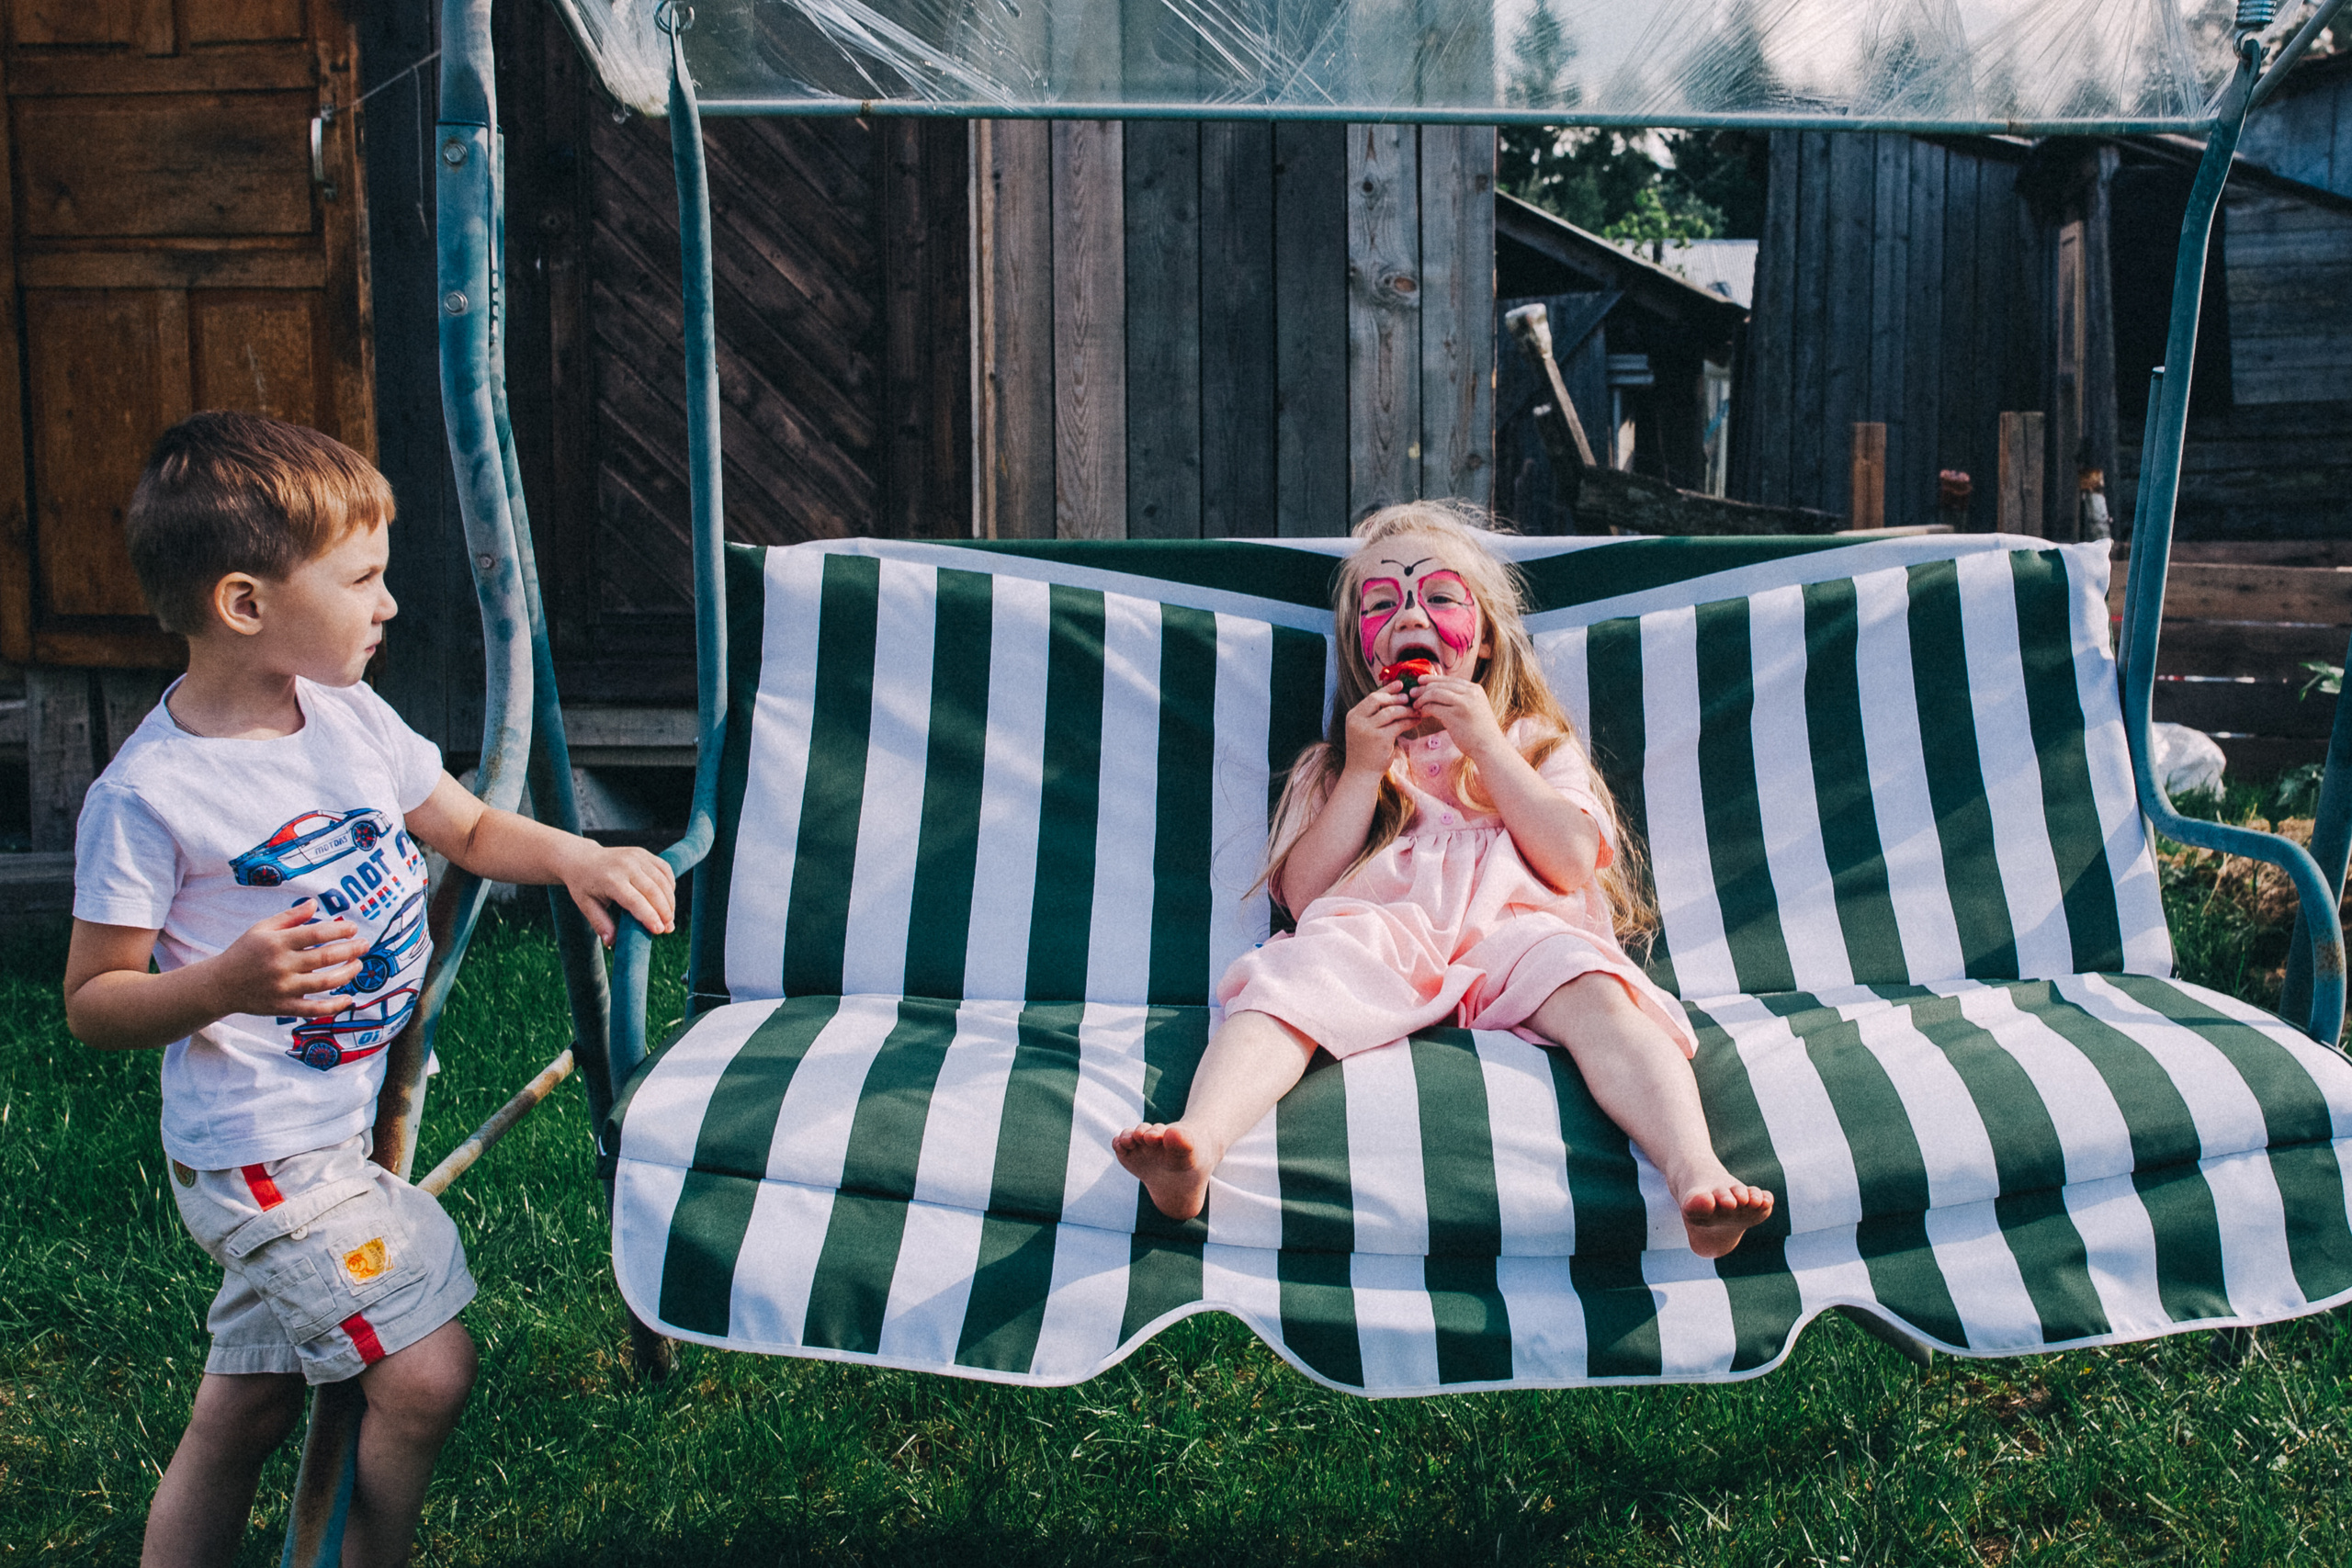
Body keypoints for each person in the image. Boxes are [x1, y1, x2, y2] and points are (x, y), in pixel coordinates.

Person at [61, 412, 676, 1568]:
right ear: (246, 604)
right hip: (260, 1160)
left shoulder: (343, 718)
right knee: (427, 1366)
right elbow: (94, 999)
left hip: (326, 1137)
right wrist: (223, 986)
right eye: (362, 579)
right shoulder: (151, 797)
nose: (388, 604)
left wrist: (578, 856)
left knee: (244, 1408)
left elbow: (474, 826)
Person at [1113, 501, 1774, 1258]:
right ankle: (1196, 1145)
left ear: (1485, 639)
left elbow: (1568, 857)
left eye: (1439, 597)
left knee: (1608, 1001)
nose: (1410, 613)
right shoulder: (1339, 761)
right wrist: (1362, 769)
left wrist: (1487, 746)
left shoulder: (1532, 742)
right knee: (1280, 985)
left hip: (1520, 934)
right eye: (1383, 603)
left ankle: (1696, 1172)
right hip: (1380, 935)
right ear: (1361, 649)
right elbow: (1303, 897)